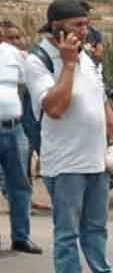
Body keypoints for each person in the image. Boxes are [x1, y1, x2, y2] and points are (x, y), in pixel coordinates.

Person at [24, 0, 113, 273]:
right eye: (77, 25)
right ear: (56, 27)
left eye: (86, 24)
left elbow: (100, 100)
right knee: (68, 234)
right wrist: (68, 64)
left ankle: (101, 270)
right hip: (66, 164)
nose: (85, 30)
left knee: (96, 229)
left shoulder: (87, 56)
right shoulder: (39, 60)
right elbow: (56, 108)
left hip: (96, 160)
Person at [0, 22, 42, 255]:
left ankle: (21, 237)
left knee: (20, 186)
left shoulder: (14, 55)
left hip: (14, 130)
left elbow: (32, 82)